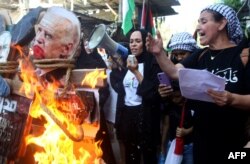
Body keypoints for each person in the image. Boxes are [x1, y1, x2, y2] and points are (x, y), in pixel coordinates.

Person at [146, 3, 250, 164]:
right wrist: (159, 54)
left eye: (203, 21)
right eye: (198, 21)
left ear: (222, 24)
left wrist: (231, 99)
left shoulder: (243, 55)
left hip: (235, 146)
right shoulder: (200, 55)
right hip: (202, 144)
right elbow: (174, 72)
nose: (198, 26)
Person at [110, 29, 162, 164]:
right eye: (131, 41)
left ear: (145, 44)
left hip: (145, 116)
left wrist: (136, 72)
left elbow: (152, 94)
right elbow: (121, 90)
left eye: (138, 41)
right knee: (131, 155)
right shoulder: (126, 63)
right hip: (128, 116)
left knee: (148, 155)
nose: (133, 45)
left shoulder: (153, 64)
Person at [158, 32, 198, 164]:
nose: (179, 57)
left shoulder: (199, 69)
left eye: (183, 54)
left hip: (192, 137)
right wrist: (164, 92)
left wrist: (188, 131)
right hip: (173, 132)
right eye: (176, 54)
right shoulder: (171, 68)